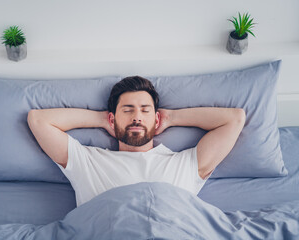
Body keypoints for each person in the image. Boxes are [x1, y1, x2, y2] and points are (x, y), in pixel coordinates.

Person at [27, 76, 245, 206]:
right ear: (113, 118)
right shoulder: (88, 161)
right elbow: (38, 120)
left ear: (156, 118)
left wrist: (172, 117)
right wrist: (102, 120)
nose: (137, 117)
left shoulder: (184, 163)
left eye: (145, 110)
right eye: (128, 110)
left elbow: (234, 119)